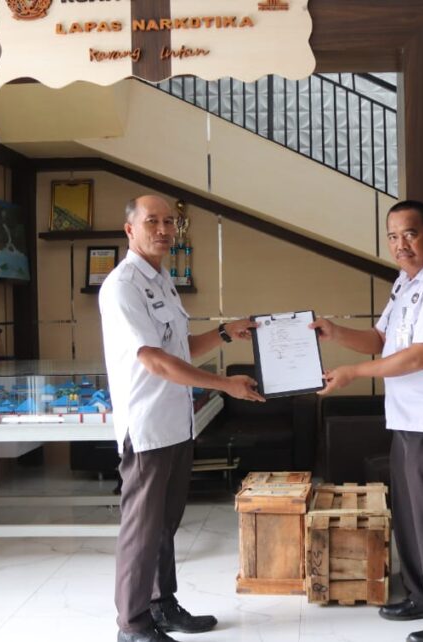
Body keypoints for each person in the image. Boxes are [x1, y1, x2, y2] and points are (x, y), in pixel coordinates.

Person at [311, 200, 423, 642]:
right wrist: (335, 332)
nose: (400, 244)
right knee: (410, 518)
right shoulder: (405, 282)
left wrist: (352, 374)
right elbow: (381, 339)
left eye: (410, 233)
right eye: (392, 236)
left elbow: (421, 355)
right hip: (407, 419)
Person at [100, 194, 265, 642]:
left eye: (169, 222)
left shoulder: (162, 281)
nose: (163, 230)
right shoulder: (122, 286)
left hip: (176, 423)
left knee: (164, 525)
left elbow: (180, 348)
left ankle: (162, 604)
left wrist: (226, 332)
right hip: (148, 426)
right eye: (152, 221)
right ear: (130, 229)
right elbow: (154, 360)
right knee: (142, 528)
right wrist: (225, 384)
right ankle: (133, 625)